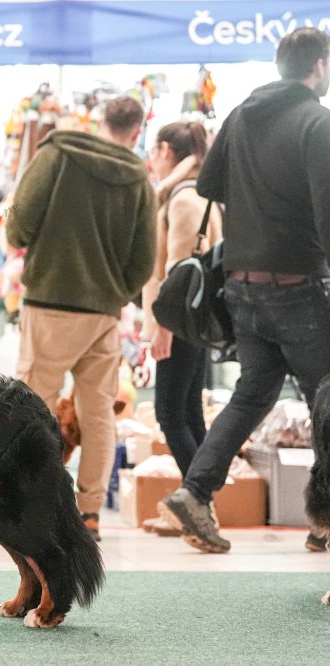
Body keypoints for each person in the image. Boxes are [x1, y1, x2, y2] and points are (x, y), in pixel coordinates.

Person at [159, 27, 330, 554]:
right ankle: (325, 519)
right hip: (296, 285)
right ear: (319, 66)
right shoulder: (317, 122)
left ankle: (195, 492)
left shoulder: (240, 115)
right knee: (325, 397)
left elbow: (208, 185)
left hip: (240, 286)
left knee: (253, 392)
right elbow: (327, 207)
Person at [6, 96, 157, 541]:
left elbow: (19, 224)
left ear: (100, 121)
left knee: (32, 409)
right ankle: (89, 513)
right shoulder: (138, 179)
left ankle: (32, 506)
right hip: (102, 314)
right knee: (98, 415)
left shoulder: (57, 154)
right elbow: (143, 261)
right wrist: (113, 293)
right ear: (137, 130)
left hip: (48, 304)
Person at [142, 121, 222, 479]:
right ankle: (204, 497)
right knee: (188, 413)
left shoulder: (184, 199)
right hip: (192, 321)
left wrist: (164, 327)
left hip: (181, 322)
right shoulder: (196, 192)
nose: (153, 160)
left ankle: (198, 495)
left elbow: (180, 274)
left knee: (170, 414)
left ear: (166, 151)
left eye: (154, 151)